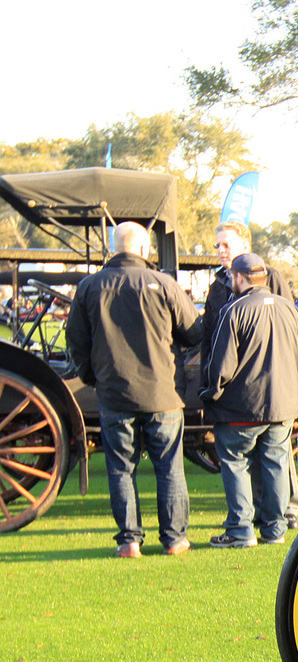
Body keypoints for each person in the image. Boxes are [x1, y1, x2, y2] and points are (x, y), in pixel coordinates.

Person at [64, 221, 199, 557]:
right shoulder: (163, 284)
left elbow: (76, 342)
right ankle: (175, 539)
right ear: (143, 249)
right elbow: (194, 333)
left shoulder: (89, 287)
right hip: (162, 393)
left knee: (121, 468)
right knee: (169, 467)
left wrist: (93, 376)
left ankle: (129, 541)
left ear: (115, 247)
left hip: (114, 394)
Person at [199, 253, 298, 548]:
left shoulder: (234, 310)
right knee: (276, 462)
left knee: (236, 463)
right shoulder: (291, 309)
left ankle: (240, 529)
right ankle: (274, 530)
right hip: (282, 406)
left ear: (239, 277)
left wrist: (210, 393)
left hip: (241, 406)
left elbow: (221, 365)